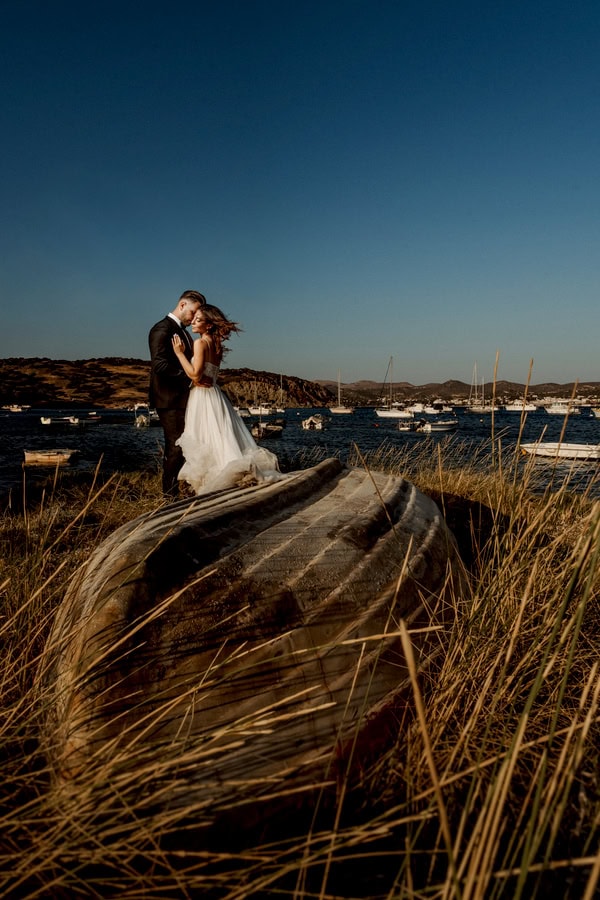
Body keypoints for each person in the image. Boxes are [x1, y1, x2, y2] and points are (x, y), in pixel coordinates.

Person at [172, 304, 282, 495]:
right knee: (222, 437)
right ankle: (228, 481)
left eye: (198, 320)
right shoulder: (217, 346)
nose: (193, 323)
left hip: (202, 397)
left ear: (208, 325)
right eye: (194, 319)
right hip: (215, 395)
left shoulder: (200, 344)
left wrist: (180, 354)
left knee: (206, 439)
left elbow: (196, 375)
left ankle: (216, 487)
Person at [149, 290, 206, 498]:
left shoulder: (182, 331)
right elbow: (159, 365)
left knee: (184, 446)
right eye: (192, 312)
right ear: (182, 305)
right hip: (168, 399)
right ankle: (169, 497)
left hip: (182, 397)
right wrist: (189, 377)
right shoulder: (161, 329)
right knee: (175, 446)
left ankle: (178, 491)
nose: (193, 318)